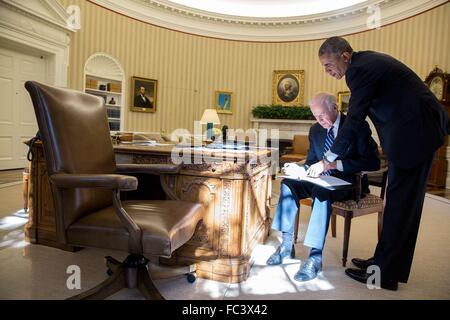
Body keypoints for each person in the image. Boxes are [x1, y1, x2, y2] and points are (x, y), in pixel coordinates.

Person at [313, 36, 449, 290]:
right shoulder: (365, 64)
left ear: (344, 56)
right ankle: (382, 261)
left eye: (328, 65)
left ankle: (384, 273)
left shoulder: (359, 70)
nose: (327, 71)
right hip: (412, 135)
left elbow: (354, 120)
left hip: (417, 136)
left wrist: (327, 159)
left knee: (400, 206)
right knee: (398, 204)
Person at [267, 92, 380, 282]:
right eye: (315, 116)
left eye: (322, 115)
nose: (319, 120)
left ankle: (315, 258)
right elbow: (312, 161)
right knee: (288, 185)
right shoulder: (316, 130)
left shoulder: (356, 127)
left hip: (349, 183)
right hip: (320, 179)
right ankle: (286, 245)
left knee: (321, 192)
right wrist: (298, 168)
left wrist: (334, 165)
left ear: (335, 108)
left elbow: (372, 162)